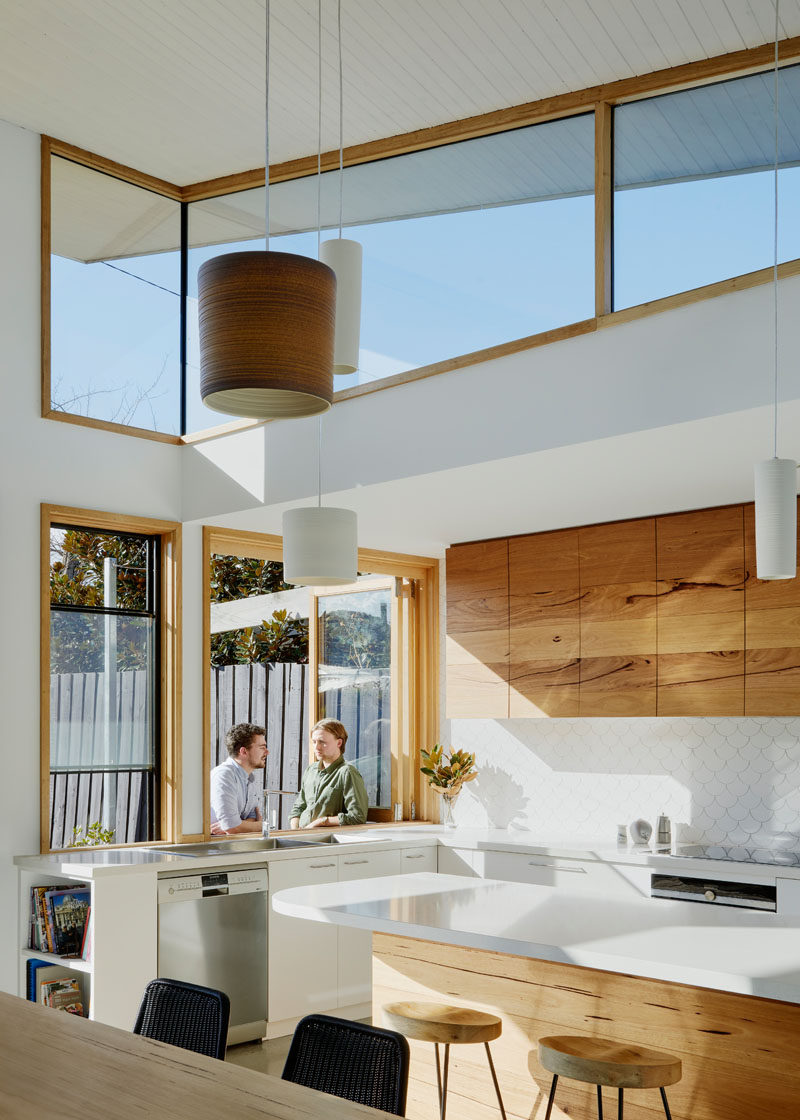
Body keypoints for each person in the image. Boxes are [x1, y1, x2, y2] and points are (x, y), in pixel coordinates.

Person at [289, 718, 368, 829]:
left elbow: (357, 817)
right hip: (301, 838)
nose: (316, 747)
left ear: (339, 743)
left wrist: (322, 821)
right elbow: (298, 809)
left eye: (322, 742)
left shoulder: (347, 773)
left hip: (327, 840)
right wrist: (295, 833)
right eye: (314, 742)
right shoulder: (310, 770)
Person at [210, 723, 268, 835]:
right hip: (214, 848)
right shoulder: (224, 775)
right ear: (243, 752)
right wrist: (261, 825)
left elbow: (252, 816)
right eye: (262, 748)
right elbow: (232, 827)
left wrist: (238, 825)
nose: (267, 752)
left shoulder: (249, 778)